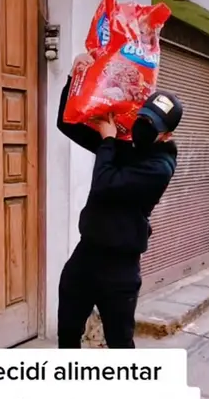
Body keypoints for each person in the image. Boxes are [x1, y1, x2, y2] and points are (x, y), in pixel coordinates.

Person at [55, 52, 183, 348]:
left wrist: (109, 140)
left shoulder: (160, 168)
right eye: (143, 118)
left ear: (166, 135)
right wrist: (75, 79)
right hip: (86, 255)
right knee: (67, 337)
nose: (143, 126)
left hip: (120, 269)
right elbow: (67, 123)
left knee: (120, 346)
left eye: (152, 125)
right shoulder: (127, 144)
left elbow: (105, 183)